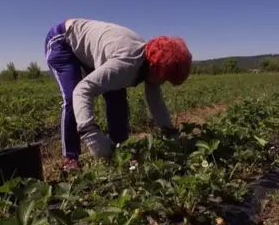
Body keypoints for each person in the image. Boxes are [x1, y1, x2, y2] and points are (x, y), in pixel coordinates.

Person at [45, 18, 192, 170]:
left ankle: (120, 150)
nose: (163, 82)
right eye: (165, 78)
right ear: (154, 67)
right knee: (71, 97)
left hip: (95, 49)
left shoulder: (151, 60)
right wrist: (91, 135)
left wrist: (170, 132)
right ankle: (70, 159)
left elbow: (156, 101)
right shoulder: (126, 63)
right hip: (63, 40)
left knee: (117, 97)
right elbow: (82, 91)